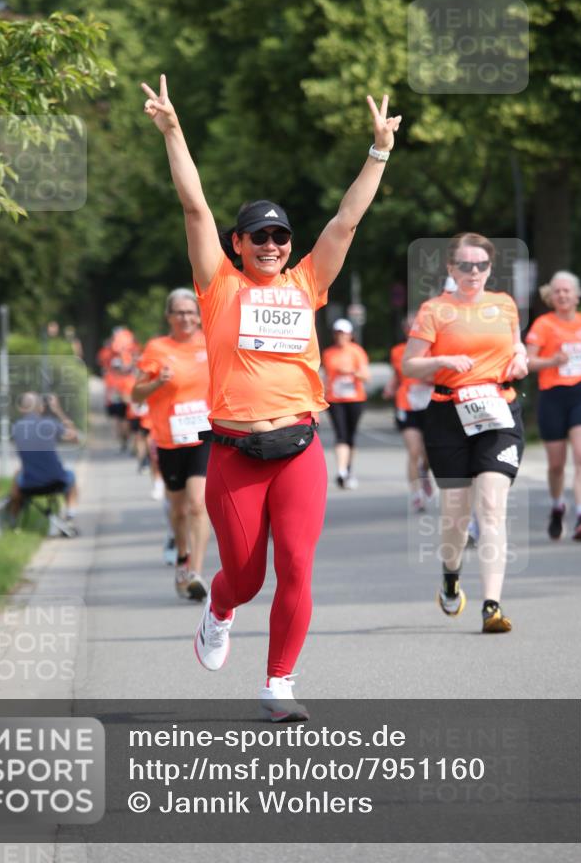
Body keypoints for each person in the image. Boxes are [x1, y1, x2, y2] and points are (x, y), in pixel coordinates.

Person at [141, 74, 401, 720]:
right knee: (246, 576)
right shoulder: (218, 287)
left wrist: (378, 152)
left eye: (279, 236)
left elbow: (345, 221)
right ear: (238, 244)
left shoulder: (306, 282)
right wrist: (174, 131)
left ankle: (278, 682)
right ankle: (220, 608)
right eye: (257, 236)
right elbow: (195, 208)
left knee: (296, 566)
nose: (270, 244)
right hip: (234, 450)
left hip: (298, 445)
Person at [402, 233, 528, 634]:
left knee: (491, 506)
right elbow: (409, 365)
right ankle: (451, 576)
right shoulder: (435, 310)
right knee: (455, 514)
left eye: (481, 266)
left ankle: (492, 605)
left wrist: (521, 358)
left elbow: (516, 347)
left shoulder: (504, 304)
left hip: (498, 412)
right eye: (465, 266)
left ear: (490, 268)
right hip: (448, 415)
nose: (473, 273)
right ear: (451, 268)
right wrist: (441, 359)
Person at [132, 288, 212, 602]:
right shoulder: (156, 348)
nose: (186, 317)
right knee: (178, 511)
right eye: (179, 312)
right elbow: (136, 396)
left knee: (197, 504)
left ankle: (196, 572)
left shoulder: (209, 342)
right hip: (168, 438)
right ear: (169, 317)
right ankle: (182, 555)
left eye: (191, 312)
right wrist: (157, 382)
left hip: (203, 435)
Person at [525, 271, 581, 541]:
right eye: (557, 291)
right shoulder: (543, 325)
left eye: (567, 290)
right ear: (551, 296)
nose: (562, 295)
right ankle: (558, 507)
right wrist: (551, 362)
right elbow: (527, 362)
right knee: (556, 464)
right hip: (552, 396)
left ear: (577, 295)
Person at [9, 392, 80, 533]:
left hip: (29, 484)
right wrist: (58, 410)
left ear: (22, 409)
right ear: (41, 408)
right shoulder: (51, 424)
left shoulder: (16, 428)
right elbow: (75, 438)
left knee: (17, 477)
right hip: (57, 481)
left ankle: (12, 521)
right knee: (71, 475)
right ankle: (70, 516)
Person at [383, 314, 434, 511]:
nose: (413, 331)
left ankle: (424, 471)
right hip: (407, 404)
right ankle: (416, 494)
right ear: (405, 331)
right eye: (410, 328)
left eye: (417, 328)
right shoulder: (398, 351)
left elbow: (441, 375)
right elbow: (398, 375)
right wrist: (390, 387)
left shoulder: (432, 350)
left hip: (430, 404)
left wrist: (429, 377)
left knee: (429, 453)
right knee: (414, 451)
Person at [321, 318, 370, 489]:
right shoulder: (328, 353)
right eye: (337, 333)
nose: (341, 336)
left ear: (350, 335)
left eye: (344, 333)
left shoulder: (357, 352)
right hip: (335, 399)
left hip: (355, 398)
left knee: (351, 436)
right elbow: (326, 376)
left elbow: (366, 376)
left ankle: (349, 469)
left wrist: (352, 372)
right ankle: (342, 471)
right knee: (341, 435)